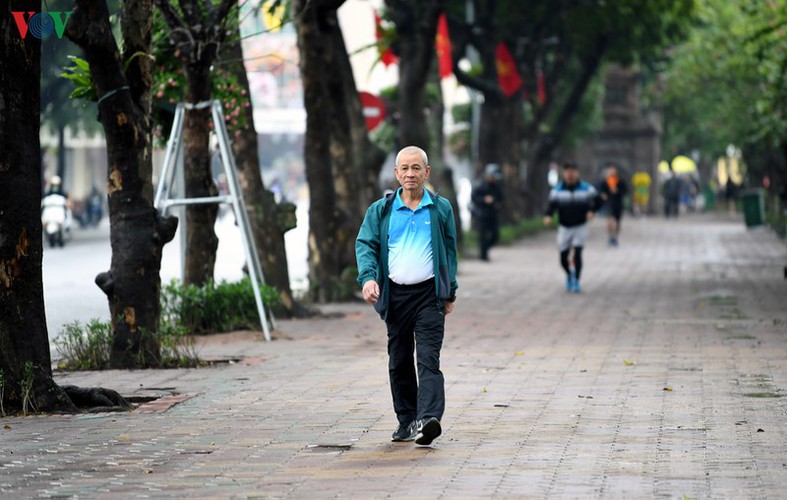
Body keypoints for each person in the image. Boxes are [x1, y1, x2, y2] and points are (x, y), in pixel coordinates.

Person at [356, 145, 459, 446]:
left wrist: (449, 290)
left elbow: (450, 252)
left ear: (427, 172)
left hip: (429, 296)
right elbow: (366, 245)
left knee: (428, 358)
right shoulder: (382, 210)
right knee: (399, 360)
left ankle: (428, 419)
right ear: (396, 174)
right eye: (405, 168)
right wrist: (368, 279)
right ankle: (407, 420)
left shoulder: (440, 208)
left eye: (417, 168)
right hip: (396, 297)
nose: (410, 174)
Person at [543, 161, 599, 293]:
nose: (570, 174)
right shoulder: (557, 190)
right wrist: (548, 216)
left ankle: (576, 281)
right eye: (567, 171)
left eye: (572, 171)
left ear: (577, 173)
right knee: (563, 257)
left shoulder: (586, 188)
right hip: (564, 226)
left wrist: (592, 210)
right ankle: (569, 274)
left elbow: (597, 200)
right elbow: (551, 206)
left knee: (578, 253)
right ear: (564, 173)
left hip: (580, 225)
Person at [470, 163, 504, 261]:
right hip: (482, 214)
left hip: (493, 215)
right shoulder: (480, 185)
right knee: (483, 236)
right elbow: (474, 198)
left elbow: (500, 198)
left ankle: (484, 250)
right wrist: (484, 199)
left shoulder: (496, 187)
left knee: (495, 235)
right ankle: (483, 255)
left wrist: (498, 203)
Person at [598, 163, 627, 246]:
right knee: (610, 221)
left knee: (617, 222)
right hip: (609, 204)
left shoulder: (620, 182)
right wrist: (603, 195)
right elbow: (601, 191)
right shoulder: (605, 182)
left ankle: (615, 237)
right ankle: (611, 236)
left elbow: (625, 191)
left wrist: (617, 191)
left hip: (618, 204)